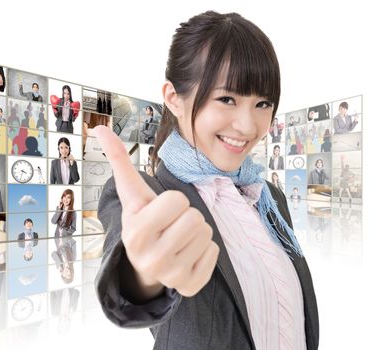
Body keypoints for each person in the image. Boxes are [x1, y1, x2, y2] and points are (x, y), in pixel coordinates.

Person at [93, 11, 318, 350]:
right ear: (173, 98)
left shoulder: (268, 196)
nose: (247, 125)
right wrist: (143, 276)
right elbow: (129, 283)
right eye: (227, 99)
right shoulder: (151, 196)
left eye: (262, 103)